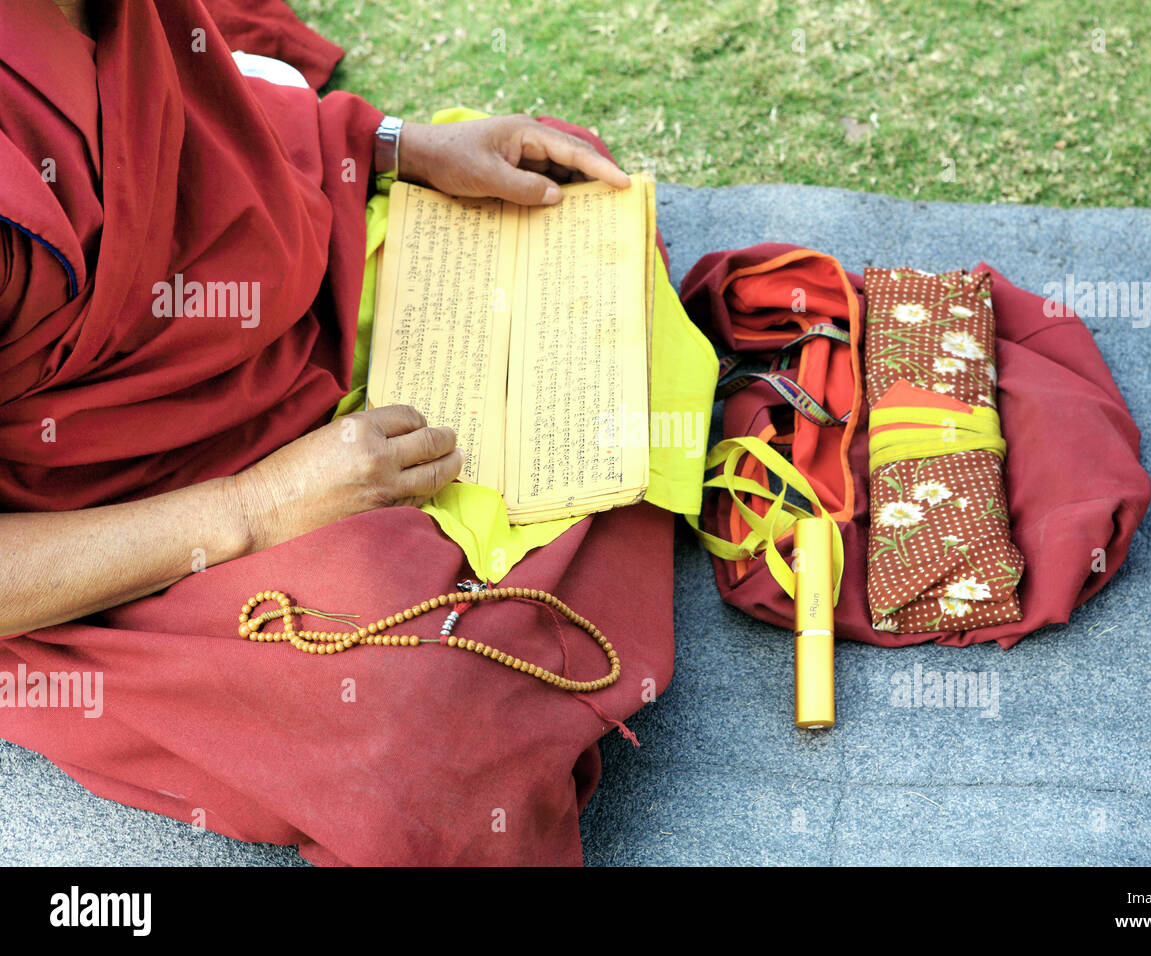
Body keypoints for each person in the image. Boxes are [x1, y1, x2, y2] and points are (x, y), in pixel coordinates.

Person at [0, 0, 676, 865]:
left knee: (567, 212)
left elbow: (199, 125)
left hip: (278, 306)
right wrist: (258, 505)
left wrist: (397, 145)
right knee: (430, 745)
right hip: (116, 516)